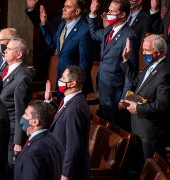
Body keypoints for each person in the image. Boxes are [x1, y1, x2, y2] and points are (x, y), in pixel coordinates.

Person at [89, 0, 139, 130]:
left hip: (116, 94)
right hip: (104, 89)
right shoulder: (109, 30)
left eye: (112, 11)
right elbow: (94, 35)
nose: (108, 13)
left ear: (122, 14)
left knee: (116, 130)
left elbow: (130, 73)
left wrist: (124, 99)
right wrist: (92, 14)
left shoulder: (129, 37)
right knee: (105, 128)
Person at [121, 34, 170, 161]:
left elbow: (163, 105)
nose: (143, 53)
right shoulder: (152, 65)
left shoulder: (166, 73)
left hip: (150, 132)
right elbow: (138, 83)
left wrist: (137, 108)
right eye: (143, 50)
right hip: (139, 127)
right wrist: (126, 60)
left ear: (158, 52)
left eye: (147, 50)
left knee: (150, 168)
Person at [45, 65, 91, 179]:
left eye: (63, 78)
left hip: (68, 172)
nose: (60, 80)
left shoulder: (75, 107)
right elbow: (62, 117)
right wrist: (50, 101)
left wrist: (66, 173)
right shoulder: (71, 101)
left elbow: (73, 145)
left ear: (72, 83)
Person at [39, 0, 94, 96]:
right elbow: (53, 44)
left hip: (73, 87)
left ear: (77, 11)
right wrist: (44, 24)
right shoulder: (62, 25)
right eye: (64, 6)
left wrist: (73, 85)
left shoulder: (85, 31)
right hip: (61, 81)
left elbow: (85, 64)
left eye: (68, 7)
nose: (63, 9)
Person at [0, 38, 33, 171]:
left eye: (9, 49)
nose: (5, 51)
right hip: (3, 127)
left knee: (10, 169)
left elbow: (21, 111)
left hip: (12, 132)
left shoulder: (22, 77)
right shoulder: (7, 69)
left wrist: (18, 141)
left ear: (19, 54)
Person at [14, 100, 62, 180]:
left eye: (26, 114)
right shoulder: (52, 139)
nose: (23, 116)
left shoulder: (34, 152)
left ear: (35, 121)